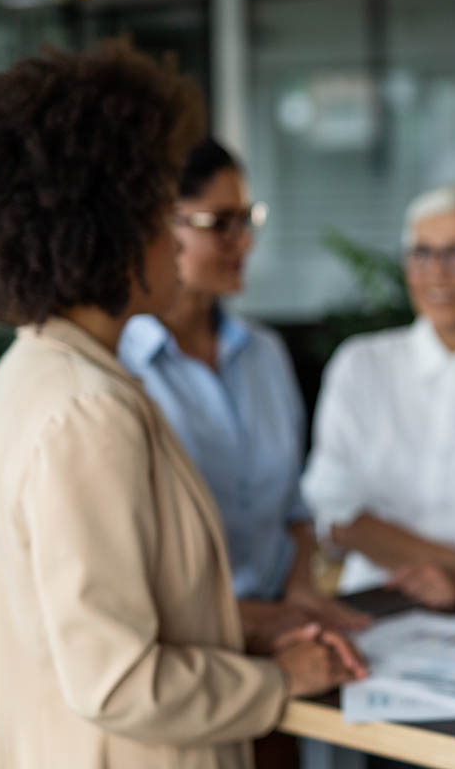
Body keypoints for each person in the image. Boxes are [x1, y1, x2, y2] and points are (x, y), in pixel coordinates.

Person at [0, 41, 365, 769]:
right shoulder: (87, 412)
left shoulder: (27, 377)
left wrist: (253, 632)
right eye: (163, 212)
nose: (179, 238)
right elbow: (120, 678)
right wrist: (280, 678)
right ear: (107, 227)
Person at [118, 138, 370, 656]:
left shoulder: (263, 354)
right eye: (220, 224)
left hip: (285, 633)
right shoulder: (120, 371)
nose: (244, 242)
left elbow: (296, 511)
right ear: (162, 227)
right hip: (183, 651)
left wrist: (300, 592)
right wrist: (254, 619)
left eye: (246, 220)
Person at [301, 185, 455, 610]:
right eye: (421, 253)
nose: (437, 273)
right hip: (373, 603)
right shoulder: (361, 365)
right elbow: (335, 514)